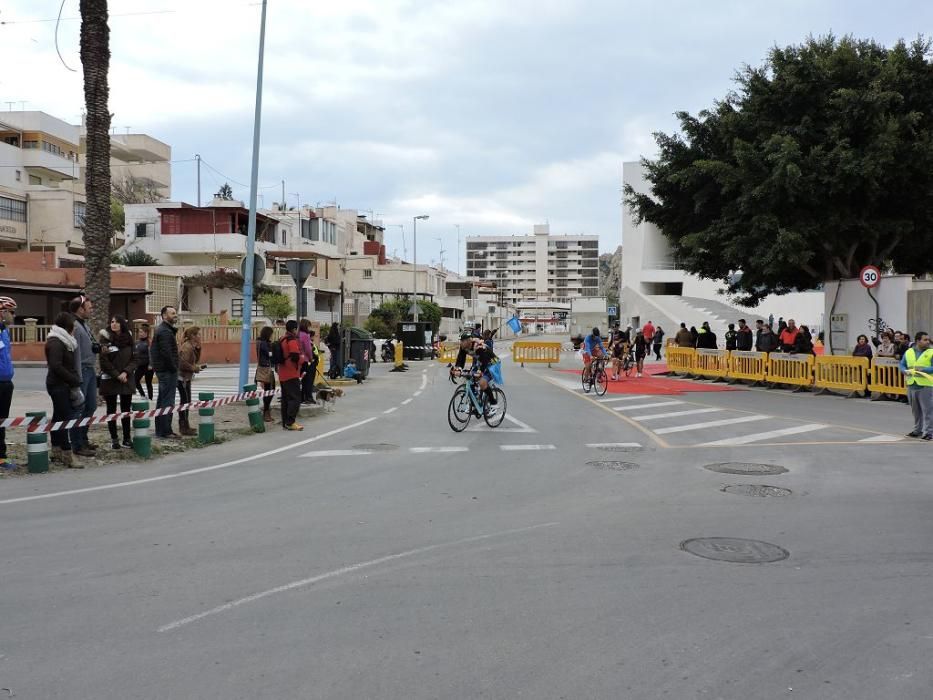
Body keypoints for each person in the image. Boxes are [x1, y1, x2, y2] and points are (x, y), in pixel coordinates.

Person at [45, 312, 82, 468]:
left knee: (59, 417)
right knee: (65, 418)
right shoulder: (56, 342)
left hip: (64, 384)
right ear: (67, 326)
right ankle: (67, 453)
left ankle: (56, 450)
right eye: (73, 325)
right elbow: (56, 365)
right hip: (58, 385)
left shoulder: (65, 341)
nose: (75, 328)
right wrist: (73, 379)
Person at [98, 316, 136, 449]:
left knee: (126, 410)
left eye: (117, 322)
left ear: (122, 324)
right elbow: (104, 361)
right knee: (111, 410)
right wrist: (117, 375)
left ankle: (127, 438)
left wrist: (125, 372)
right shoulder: (105, 339)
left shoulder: (129, 339)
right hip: (110, 379)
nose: (114, 324)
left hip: (127, 378)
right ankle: (114, 439)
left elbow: (135, 359)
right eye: (112, 322)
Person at [68, 295, 99, 457]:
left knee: (91, 406)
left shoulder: (84, 325)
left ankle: (83, 438)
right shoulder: (73, 326)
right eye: (89, 307)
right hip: (81, 370)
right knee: (79, 407)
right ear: (80, 309)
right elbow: (74, 352)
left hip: (90, 368)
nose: (91, 310)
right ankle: (77, 444)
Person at [150, 305, 180, 439]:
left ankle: (161, 430)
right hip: (167, 371)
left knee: (162, 400)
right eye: (172, 313)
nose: (175, 315)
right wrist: (174, 368)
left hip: (164, 370)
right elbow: (166, 353)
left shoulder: (165, 330)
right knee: (167, 401)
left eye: (175, 313)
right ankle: (165, 431)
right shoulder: (164, 332)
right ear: (164, 316)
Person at [452, 332, 500, 416]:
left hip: (492, 363)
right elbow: (460, 359)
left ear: (468, 341)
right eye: (460, 341)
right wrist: (457, 369)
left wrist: (480, 372)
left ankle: (493, 403)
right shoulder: (463, 347)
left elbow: (485, 361)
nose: (460, 343)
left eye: (462, 341)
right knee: (469, 379)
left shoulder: (478, 346)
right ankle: (475, 404)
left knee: (482, 382)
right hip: (480, 362)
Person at [900, 331, 933, 439]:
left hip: (926, 386)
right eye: (925, 340)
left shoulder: (931, 352)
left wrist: (924, 369)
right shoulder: (909, 352)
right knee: (916, 411)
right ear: (918, 341)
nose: (928, 342)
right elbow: (902, 364)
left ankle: (928, 432)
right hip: (911, 384)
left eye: (928, 340)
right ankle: (917, 430)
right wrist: (904, 370)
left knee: (928, 411)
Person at [177, 325, 206, 437]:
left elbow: (195, 360)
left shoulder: (192, 346)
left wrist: (199, 348)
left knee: (187, 402)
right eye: (198, 334)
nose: (200, 336)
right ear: (193, 336)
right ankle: (183, 427)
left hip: (186, 378)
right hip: (181, 378)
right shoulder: (186, 347)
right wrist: (194, 368)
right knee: (184, 402)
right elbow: (182, 363)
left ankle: (186, 426)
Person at [278, 320, 303, 431]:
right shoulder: (291, 340)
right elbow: (295, 356)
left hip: (282, 372)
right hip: (291, 372)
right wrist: (302, 360)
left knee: (285, 399)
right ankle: (290, 422)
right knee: (295, 398)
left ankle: (285, 422)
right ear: (294, 329)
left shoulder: (282, 339)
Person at [0, 296, 16, 469]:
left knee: (2, 421)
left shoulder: (5, 331)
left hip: (6, 382)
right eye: (12, 312)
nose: (14, 316)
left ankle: (1, 456)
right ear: (2, 312)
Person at [255, 326, 277, 423]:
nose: (272, 336)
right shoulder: (264, 344)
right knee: (270, 391)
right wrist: (273, 348)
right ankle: (266, 411)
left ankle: (266, 410)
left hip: (266, 367)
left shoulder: (260, 342)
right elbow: (270, 354)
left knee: (269, 391)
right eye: (271, 334)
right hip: (266, 368)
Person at [298, 319, 316, 404]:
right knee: (307, 380)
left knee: (300, 379)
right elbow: (308, 349)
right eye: (309, 326)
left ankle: (301, 397)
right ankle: (308, 397)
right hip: (305, 360)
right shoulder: (305, 335)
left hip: (298, 360)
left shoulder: (298, 334)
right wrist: (311, 358)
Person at [133, 325, 154, 400]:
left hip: (148, 366)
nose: (140, 333)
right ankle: (143, 395)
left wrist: (151, 364)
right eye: (139, 332)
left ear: (146, 333)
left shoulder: (149, 342)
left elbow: (151, 354)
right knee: (135, 380)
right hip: (140, 366)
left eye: (141, 332)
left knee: (148, 383)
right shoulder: (137, 342)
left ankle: (150, 398)